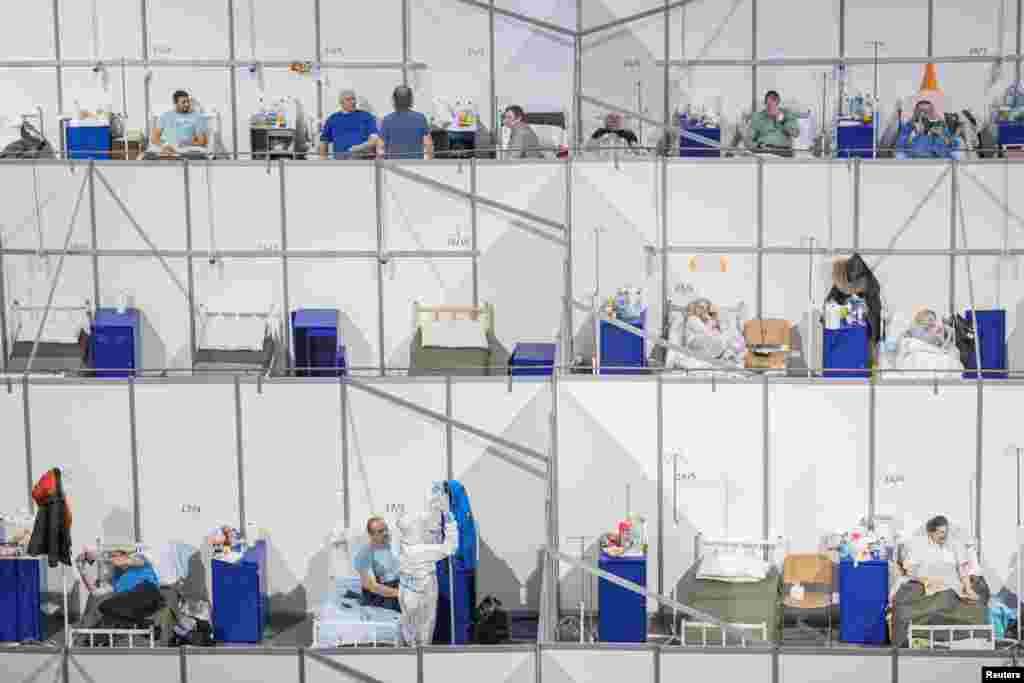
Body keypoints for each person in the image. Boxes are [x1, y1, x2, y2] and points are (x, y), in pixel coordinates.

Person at [891, 515, 984, 647]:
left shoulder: (955, 546)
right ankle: (908, 641)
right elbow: (909, 570)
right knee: (905, 603)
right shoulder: (919, 547)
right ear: (930, 532)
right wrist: (923, 580)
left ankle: (960, 639)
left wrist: (968, 588)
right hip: (926, 584)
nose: (944, 536)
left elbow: (963, 570)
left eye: (945, 532)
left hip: (951, 587)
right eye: (940, 532)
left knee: (968, 604)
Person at [397, 508, 459, 646]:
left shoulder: (402, 546)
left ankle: (409, 650)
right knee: (424, 629)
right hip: (422, 592)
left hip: (407, 590)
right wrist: (451, 523)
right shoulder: (421, 550)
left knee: (409, 625)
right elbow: (450, 548)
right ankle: (421, 659)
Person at [76, 547, 162, 640]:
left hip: (149, 594)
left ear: (125, 555)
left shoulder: (140, 560)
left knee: (134, 593)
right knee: (104, 607)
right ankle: (143, 623)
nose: (113, 560)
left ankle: (142, 624)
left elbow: (122, 561)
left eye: (116, 556)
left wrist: (95, 557)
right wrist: (81, 569)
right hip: (136, 605)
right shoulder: (116, 580)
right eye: (112, 557)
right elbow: (95, 592)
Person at [353, 517, 401, 611]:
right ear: (371, 535)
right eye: (380, 531)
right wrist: (401, 593)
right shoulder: (365, 554)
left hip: (395, 588)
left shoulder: (391, 547)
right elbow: (371, 586)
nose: (385, 533)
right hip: (378, 596)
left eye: (386, 529)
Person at [319, 89, 380, 160]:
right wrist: (323, 158)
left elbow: (374, 139)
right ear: (341, 102)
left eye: (354, 99)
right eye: (348, 99)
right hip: (340, 161)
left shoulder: (367, 116)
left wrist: (359, 148)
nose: (353, 102)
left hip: (363, 161)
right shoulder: (332, 119)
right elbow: (324, 141)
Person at [377, 86, 433, 160]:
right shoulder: (420, 118)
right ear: (411, 100)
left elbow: (380, 149)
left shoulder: (387, 120)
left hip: (393, 165)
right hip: (416, 165)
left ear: (394, 100)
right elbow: (429, 146)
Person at [895, 99, 962, 159]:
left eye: (927, 111)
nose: (923, 113)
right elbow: (900, 146)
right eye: (920, 111)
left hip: (937, 161)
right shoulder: (908, 127)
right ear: (915, 112)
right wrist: (913, 128)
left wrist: (942, 135)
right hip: (915, 161)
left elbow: (953, 146)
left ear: (932, 112)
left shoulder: (941, 126)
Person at [151, 90, 208, 157]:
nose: (187, 104)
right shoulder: (165, 116)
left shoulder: (196, 117)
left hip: (186, 149)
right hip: (166, 149)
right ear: (175, 103)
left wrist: (189, 143)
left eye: (188, 101)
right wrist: (164, 145)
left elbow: (201, 142)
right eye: (183, 102)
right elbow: (154, 138)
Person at [748, 90, 800, 155]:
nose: (770, 108)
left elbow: (795, 133)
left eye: (773, 105)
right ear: (765, 103)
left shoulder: (787, 114)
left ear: (778, 103)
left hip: (782, 151)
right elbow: (749, 139)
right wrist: (759, 145)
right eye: (768, 105)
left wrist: (782, 120)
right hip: (763, 150)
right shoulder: (758, 117)